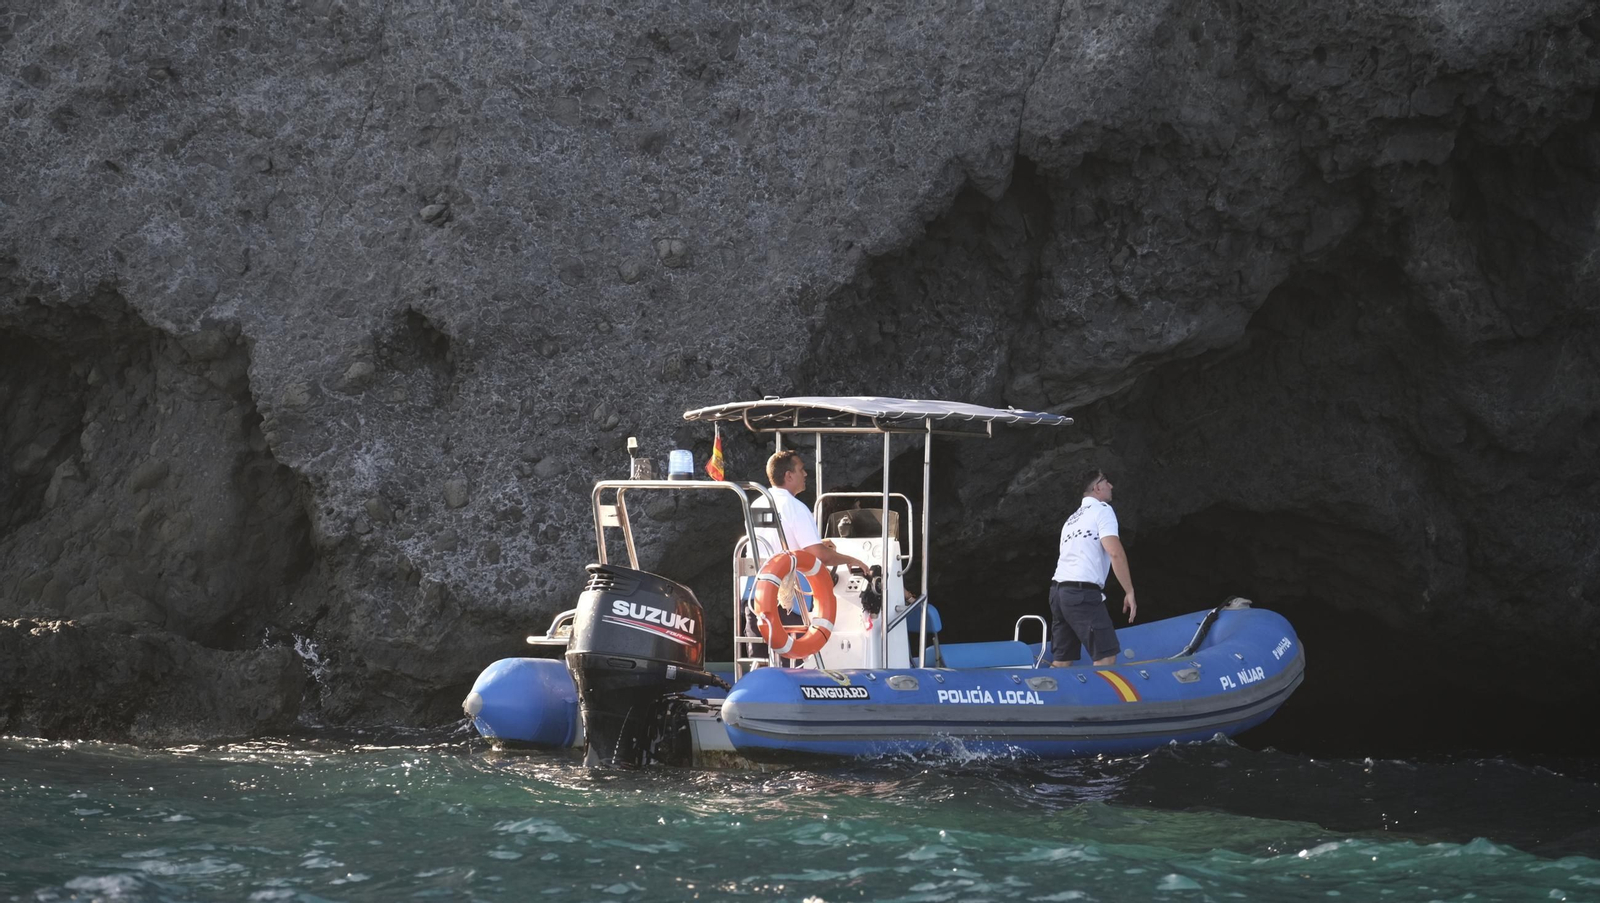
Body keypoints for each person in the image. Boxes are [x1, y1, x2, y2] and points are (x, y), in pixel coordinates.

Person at [1048, 469, 1137, 667]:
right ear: (1097, 487)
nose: (1111, 486)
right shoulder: (1102, 510)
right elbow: (1115, 552)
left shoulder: (1070, 520)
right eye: (1107, 482)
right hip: (1081, 593)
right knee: (1106, 657)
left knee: (1062, 661)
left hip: (1058, 593)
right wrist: (1129, 591)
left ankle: (1050, 687)